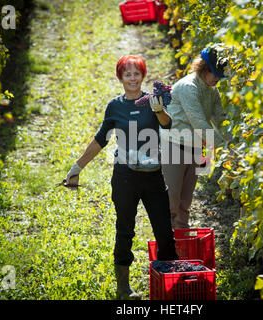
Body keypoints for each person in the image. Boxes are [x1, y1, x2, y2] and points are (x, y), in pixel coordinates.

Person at [65, 55, 178, 299]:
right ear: (120, 78)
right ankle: (123, 289)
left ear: (143, 75)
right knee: (125, 229)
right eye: (127, 74)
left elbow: (167, 124)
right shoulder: (114, 107)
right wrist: (77, 167)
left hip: (153, 177)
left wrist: (159, 110)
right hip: (125, 177)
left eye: (137, 73)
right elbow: (100, 140)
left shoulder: (152, 100)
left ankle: (168, 289)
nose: (133, 78)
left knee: (164, 232)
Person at [160, 43, 228, 230]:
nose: (217, 79)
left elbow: (221, 118)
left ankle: (181, 239)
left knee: (186, 200)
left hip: (196, 147)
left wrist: (233, 139)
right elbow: (199, 123)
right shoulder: (189, 88)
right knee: (172, 198)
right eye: (215, 74)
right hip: (174, 145)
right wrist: (225, 148)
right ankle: (166, 241)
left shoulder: (212, 89)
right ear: (204, 68)